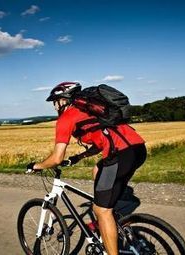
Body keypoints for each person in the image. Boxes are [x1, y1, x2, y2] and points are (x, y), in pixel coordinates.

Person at [26, 81, 147, 255]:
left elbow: (56, 158)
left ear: (63, 100)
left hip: (121, 154)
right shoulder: (92, 110)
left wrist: (36, 166)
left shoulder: (66, 118)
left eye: (56, 101)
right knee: (98, 171)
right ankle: (117, 220)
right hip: (138, 148)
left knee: (101, 210)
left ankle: (108, 230)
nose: (55, 106)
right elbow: (99, 142)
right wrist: (78, 157)